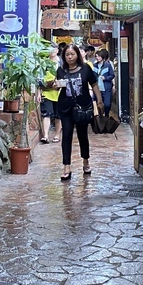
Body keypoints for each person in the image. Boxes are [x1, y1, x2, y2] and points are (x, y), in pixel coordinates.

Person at [53, 43, 101, 181]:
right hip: (66, 108)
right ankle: (66, 167)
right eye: (67, 54)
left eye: (72, 54)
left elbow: (94, 84)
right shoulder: (61, 70)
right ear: (64, 56)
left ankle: (86, 162)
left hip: (83, 107)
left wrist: (99, 100)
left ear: (77, 55)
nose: (70, 57)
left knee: (82, 136)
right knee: (66, 135)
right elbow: (58, 87)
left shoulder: (85, 68)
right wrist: (55, 85)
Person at [39, 47, 60, 144]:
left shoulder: (61, 63)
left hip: (59, 93)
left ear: (57, 50)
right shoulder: (44, 62)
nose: (52, 52)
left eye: (54, 49)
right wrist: (39, 93)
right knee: (46, 114)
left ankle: (57, 135)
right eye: (50, 50)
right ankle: (46, 135)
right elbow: (39, 78)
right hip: (46, 92)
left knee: (58, 115)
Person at [92, 48, 116, 113]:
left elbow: (112, 75)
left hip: (106, 87)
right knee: (97, 103)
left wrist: (105, 78)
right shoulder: (94, 66)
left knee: (107, 104)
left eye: (99, 56)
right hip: (97, 87)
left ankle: (106, 114)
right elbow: (92, 76)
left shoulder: (107, 65)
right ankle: (100, 116)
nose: (97, 58)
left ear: (102, 57)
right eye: (96, 56)